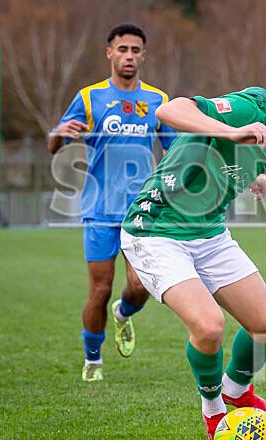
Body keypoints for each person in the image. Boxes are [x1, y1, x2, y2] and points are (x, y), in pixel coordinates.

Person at [120, 52, 266, 440]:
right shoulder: (243, 110)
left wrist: (253, 174)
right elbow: (171, 109)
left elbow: (227, 155)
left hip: (208, 232)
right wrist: (231, 131)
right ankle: (214, 413)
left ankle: (236, 392)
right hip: (155, 231)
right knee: (209, 328)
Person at [48, 23, 176, 382]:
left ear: (143, 55)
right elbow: (54, 144)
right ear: (110, 54)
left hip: (142, 211)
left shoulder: (159, 101)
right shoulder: (88, 97)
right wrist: (60, 135)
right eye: (123, 50)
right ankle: (93, 359)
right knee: (100, 289)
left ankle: (124, 315)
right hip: (99, 209)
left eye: (136, 50)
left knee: (142, 285)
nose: (129, 56)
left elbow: (175, 149)